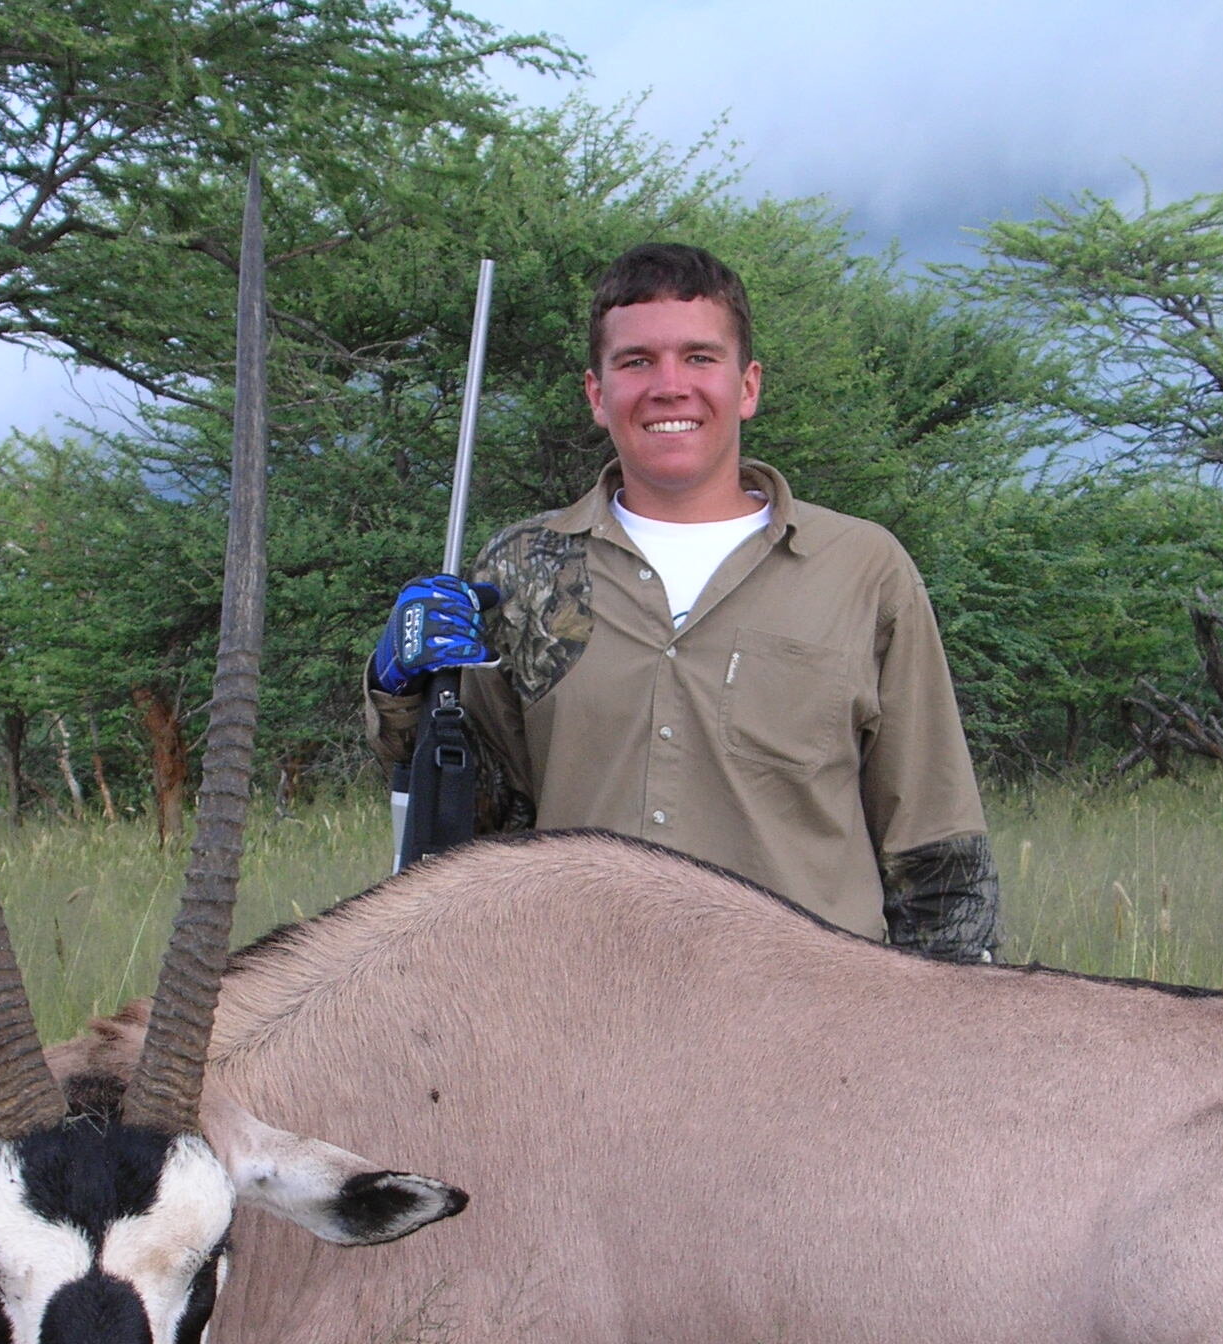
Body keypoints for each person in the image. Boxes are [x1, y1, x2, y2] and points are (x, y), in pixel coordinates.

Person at [366, 243, 999, 962]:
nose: (670, 386)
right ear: (597, 394)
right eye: (637, 362)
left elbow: (936, 849)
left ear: (748, 385)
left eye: (700, 357)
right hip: (575, 1014)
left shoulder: (862, 568)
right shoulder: (522, 570)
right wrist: (405, 695)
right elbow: (472, 826)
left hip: (811, 1030)